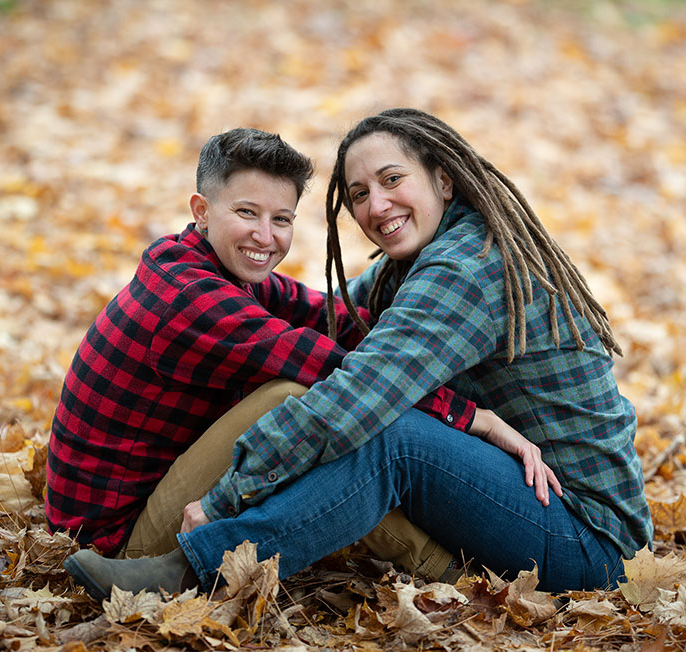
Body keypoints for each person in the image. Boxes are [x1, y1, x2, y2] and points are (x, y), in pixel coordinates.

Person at [64, 108, 652, 599]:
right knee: (352, 408)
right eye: (359, 194)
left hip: (589, 540)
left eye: (393, 181)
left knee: (384, 434)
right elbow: (334, 323)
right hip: (521, 499)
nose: (376, 206)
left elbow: (356, 395)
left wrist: (222, 501)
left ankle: (197, 564)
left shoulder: (465, 270)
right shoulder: (417, 264)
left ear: (444, 181)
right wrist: (473, 418)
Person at [47, 127, 499, 579]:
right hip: (117, 547)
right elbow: (327, 366)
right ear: (201, 211)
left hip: (143, 502)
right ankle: (450, 572)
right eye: (247, 212)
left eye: (281, 219)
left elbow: (331, 318)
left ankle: (440, 551)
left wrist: (419, 333)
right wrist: (467, 415)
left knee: (324, 416)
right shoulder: (190, 296)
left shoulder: (215, 267)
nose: (265, 237)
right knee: (295, 396)